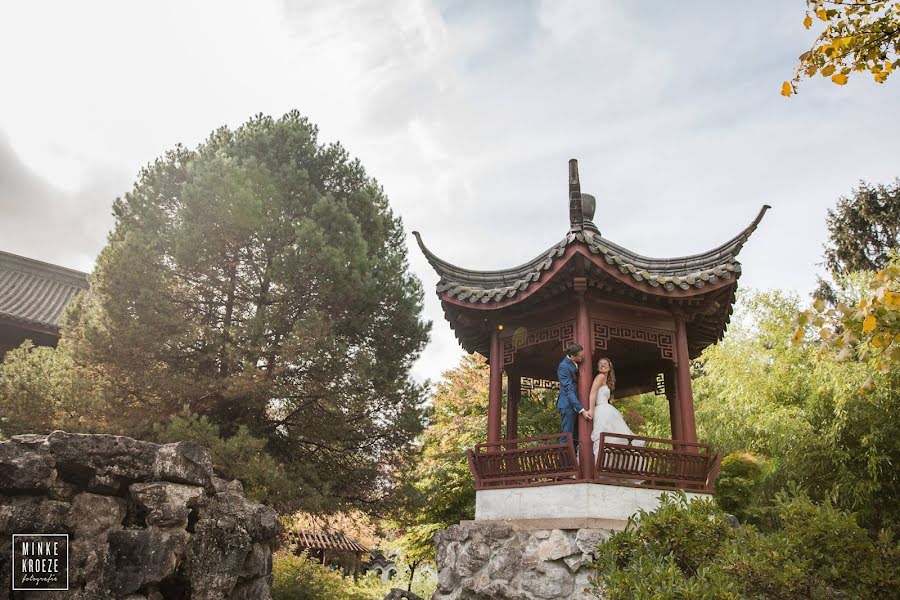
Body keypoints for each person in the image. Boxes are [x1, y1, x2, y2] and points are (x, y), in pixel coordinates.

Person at [587, 357, 645, 464]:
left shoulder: (605, 380)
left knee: (614, 436)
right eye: (600, 364)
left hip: (607, 409)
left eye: (605, 363)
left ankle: (611, 464)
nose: (602, 365)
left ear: (609, 367)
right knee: (604, 436)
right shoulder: (599, 377)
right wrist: (591, 409)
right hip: (601, 409)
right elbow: (593, 393)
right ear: (598, 367)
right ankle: (600, 464)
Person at [557, 343, 591, 448]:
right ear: (572, 356)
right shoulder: (563, 367)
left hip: (575, 404)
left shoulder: (574, 363)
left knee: (576, 436)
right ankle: (564, 463)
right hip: (567, 405)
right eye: (580, 356)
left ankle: (575, 461)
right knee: (567, 436)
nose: (582, 357)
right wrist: (581, 410)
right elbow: (569, 391)